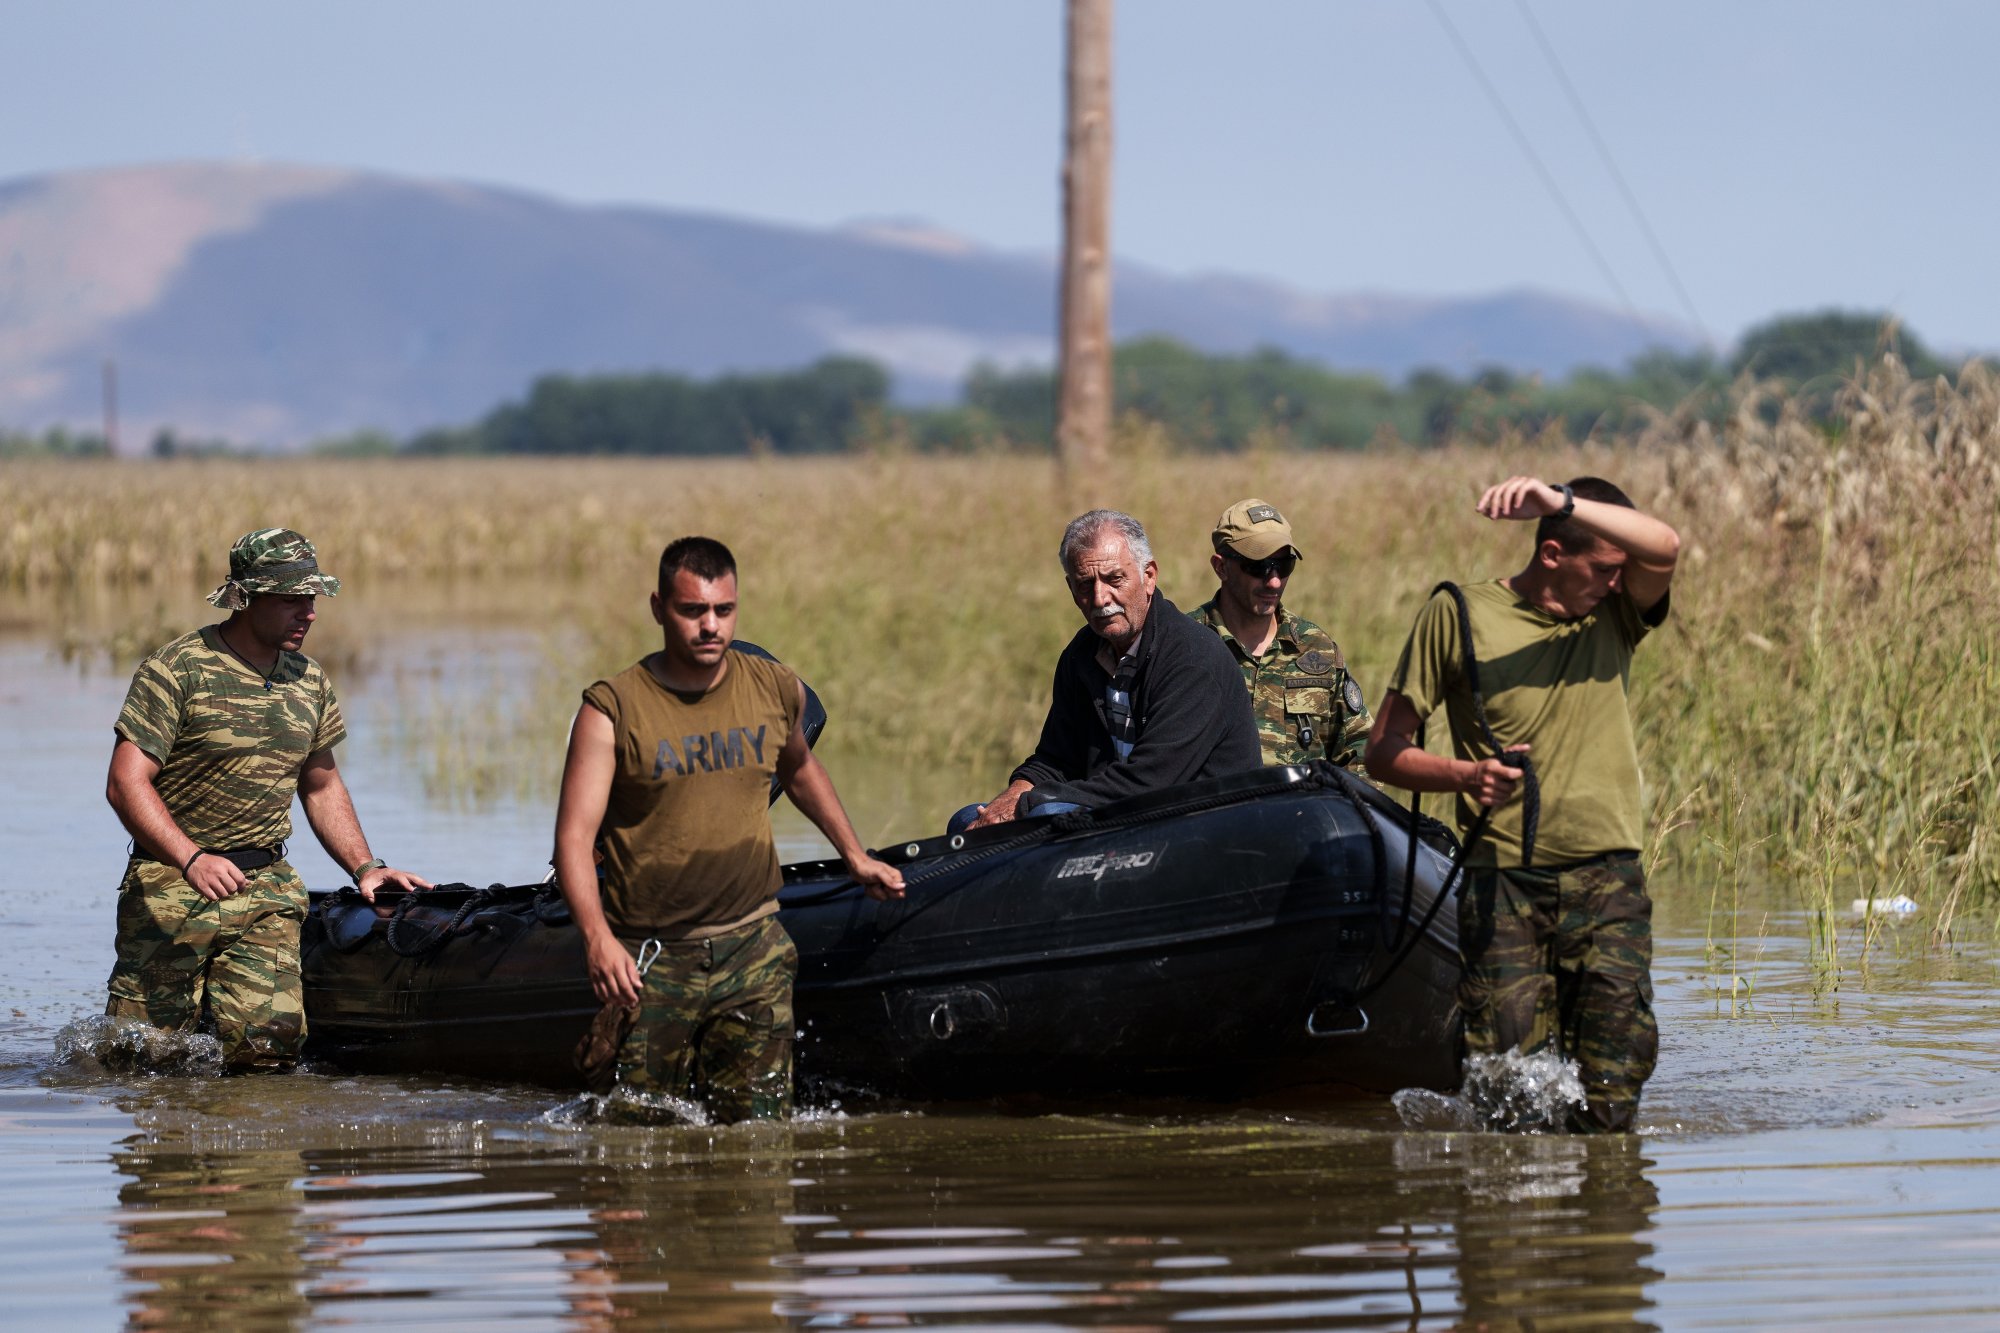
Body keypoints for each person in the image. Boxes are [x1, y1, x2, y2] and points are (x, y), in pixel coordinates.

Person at [1364, 476, 1679, 1133]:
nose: (1619, 583)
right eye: (1603, 569)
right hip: (1502, 882)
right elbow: (1384, 750)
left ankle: (1597, 1223)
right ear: (1553, 557)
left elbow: (1665, 546)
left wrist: (1559, 501)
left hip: (1607, 881)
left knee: (1613, 1089)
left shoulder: (1614, 614)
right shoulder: (1457, 614)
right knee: (1510, 1093)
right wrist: (1463, 773)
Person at [552, 535, 903, 1121]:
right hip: (654, 959)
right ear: (659, 608)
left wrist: (855, 855)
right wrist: (597, 939)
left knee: (761, 1138)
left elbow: (799, 769)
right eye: (693, 611)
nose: (710, 626)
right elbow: (573, 841)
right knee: (635, 1143)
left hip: (753, 948)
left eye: (724, 610)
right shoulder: (612, 709)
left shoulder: (772, 686)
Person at [104, 528, 431, 1072]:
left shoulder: (309, 681)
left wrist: (366, 867)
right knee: (140, 1062)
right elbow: (125, 783)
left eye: (312, 599)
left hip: (266, 889)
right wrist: (191, 859)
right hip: (169, 887)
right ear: (247, 597)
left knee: (269, 1055)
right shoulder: (177, 669)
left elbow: (322, 785)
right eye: (290, 600)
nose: (307, 613)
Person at [964, 509, 1260, 829]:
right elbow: (1056, 758)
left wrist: (1029, 803)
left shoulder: (1193, 659)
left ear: (1149, 577)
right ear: (1070, 589)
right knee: (968, 821)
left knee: (1042, 815)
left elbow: (1151, 782)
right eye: (1085, 584)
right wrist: (1014, 795)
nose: (1100, 598)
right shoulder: (1082, 654)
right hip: (1128, 818)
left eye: (1114, 579)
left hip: (1207, 826)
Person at [1190, 498, 1372, 770]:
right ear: (1221, 567)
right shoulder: (1186, 644)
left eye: (1283, 565)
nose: (1274, 580)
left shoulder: (1315, 650)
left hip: (1301, 812)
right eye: (1258, 565)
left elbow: (1360, 748)